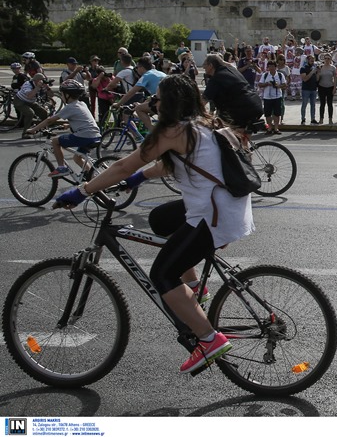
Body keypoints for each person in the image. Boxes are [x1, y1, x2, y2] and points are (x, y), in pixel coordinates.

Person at [52, 74, 255, 374]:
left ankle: (209, 340)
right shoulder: (202, 123)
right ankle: (197, 287)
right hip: (225, 204)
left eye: (157, 97)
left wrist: (82, 191)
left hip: (213, 214)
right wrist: (138, 178)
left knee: (162, 274)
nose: (152, 102)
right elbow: (171, 164)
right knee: (160, 220)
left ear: (169, 101)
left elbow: (123, 165)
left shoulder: (172, 131)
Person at [25, 80, 101, 177]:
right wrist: (68, 125)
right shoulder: (82, 104)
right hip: (95, 136)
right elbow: (85, 120)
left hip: (84, 136)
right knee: (77, 158)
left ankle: (61, 168)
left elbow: (49, 121)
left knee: (55, 141)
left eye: (62, 94)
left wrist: (33, 129)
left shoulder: (70, 107)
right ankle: (93, 177)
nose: (61, 96)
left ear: (67, 95)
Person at [201, 54, 263, 129]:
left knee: (220, 132)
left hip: (242, 110)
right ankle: (244, 140)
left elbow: (202, 102)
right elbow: (227, 64)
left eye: (204, 64)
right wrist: (220, 60)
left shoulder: (215, 79)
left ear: (210, 65)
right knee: (241, 136)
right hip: (255, 104)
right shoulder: (232, 69)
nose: (203, 67)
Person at [114, 55, 166, 130]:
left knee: (139, 109)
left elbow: (131, 92)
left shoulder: (146, 76)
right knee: (143, 108)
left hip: (162, 102)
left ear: (141, 67)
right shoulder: (159, 73)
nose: (136, 69)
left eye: (137, 67)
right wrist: (143, 103)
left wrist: (118, 104)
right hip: (169, 100)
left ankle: (153, 132)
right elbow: (154, 95)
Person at [14, 73, 50, 138]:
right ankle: (25, 133)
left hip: (30, 101)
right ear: (36, 80)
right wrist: (37, 87)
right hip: (20, 101)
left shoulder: (41, 85)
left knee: (44, 112)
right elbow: (29, 96)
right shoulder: (27, 84)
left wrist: (48, 88)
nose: (42, 82)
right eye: (42, 80)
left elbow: (51, 95)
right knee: (30, 113)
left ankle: (45, 129)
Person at [258, 60, 287, 134]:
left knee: (277, 113)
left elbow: (284, 85)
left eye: (273, 66)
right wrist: (267, 84)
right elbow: (260, 84)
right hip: (267, 97)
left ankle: (276, 128)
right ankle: (269, 128)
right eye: (269, 66)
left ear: (275, 67)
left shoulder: (280, 75)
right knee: (267, 114)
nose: (271, 68)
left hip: (277, 96)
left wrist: (278, 86)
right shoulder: (265, 75)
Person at [316, 53, 337, 125]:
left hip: (330, 87)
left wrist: (334, 88)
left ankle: (330, 119)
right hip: (321, 87)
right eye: (326, 58)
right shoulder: (321, 67)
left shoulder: (333, 68)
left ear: (331, 59)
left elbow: (335, 78)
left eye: (328, 58)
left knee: (330, 104)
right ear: (323, 59)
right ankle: (321, 119)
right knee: (322, 104)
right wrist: (318, 73)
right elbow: (317, 79)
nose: (327, 60)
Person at [299, 53, 319, 125]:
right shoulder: (303, 68)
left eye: (313, 60)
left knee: (313, 105)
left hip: (313, 88)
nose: (312, 61)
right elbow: (305, 79)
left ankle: (313, 119)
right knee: (304, 104)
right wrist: (312, 72)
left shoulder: (314, 68)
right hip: (306, 89)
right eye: (311, 60)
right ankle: (303, 119)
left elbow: (317, 79)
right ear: (307, 60)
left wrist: (318, 72)